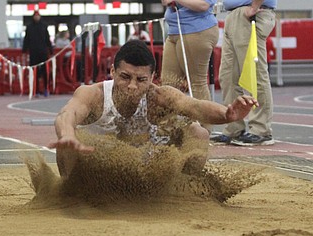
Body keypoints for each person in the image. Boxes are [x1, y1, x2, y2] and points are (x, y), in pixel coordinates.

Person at [48, 40, 258, 180]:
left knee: (198, 133)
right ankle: (68, 194)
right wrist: (67, 134)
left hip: (143, 171)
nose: (132, 86)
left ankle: (184, 191)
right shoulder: (93, 94)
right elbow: (68, 114)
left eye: (141, 80)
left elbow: (194, 106)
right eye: (125, 77)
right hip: (97, 168)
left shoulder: (159, 97)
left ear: (152, 78)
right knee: (66, 143)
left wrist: (226, 114)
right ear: (112, 72)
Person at [211, 0, 277, 146]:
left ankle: (261, 130)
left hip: (251, 14)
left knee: (255, 73)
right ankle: (233, 128)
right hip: (233, 15)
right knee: (227, 76)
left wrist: (255, 6)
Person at [160, 0, 219, 132]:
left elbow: (203, 5)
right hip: (174, 31)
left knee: (197, 82)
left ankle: (204, 130)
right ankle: (168, 129)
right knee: (168, 83)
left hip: (197, 29)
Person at [22, 10, 53, 97]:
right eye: (35, 16)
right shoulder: (29, 27)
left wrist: (50, 50)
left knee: (45, 71)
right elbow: (26, 39)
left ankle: (46, 89)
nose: (36, 17)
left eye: (38, 16)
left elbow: (47, 39)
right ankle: (36, 90)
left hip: (43, 52)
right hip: (33, 52)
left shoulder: (44, 26)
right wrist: (24, 50)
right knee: (35, 72)